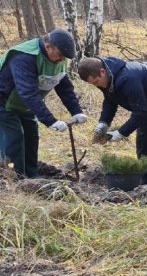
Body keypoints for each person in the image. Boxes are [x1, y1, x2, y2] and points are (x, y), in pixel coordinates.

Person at [78, 56, 147, 184]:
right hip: (146, 103)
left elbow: (140, 112)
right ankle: (145, 178)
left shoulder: (127, 78)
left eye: (95, 82)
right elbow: (110, 101)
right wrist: (103, 123)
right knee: (143, 141)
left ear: (102, 72)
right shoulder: (108, 77)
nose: (96, 86)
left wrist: (121, 132)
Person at [0, 28, 87, 178]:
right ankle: (13, 178)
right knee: (14, 136)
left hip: (24, 104)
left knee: (31, 135)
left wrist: (76, 110)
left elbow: (64, 87)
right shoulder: (24, 57)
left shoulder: (58, 59)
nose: (62, 60)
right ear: (48, 46)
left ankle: (31, 175)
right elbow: (28, 92)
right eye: (60, 55)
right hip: (4, 100)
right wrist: (50, 120)